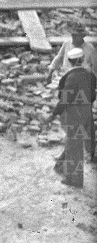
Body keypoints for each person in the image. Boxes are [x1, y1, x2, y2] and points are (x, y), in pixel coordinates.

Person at [49, 48, 97, 187]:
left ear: (70, 61)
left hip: (74, 113)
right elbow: (93, 95)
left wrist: (54, 114)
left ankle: (75, 179)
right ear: (81, 59)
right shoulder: (90, 74)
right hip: (86, 111)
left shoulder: (71, 77)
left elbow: (65, 99)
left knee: (74, 143)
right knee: (75, 140)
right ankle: (61, 166)